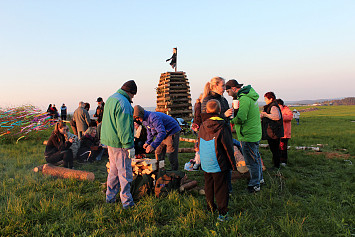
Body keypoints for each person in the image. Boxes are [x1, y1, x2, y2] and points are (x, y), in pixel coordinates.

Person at [198, 99, 236, 222]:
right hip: (219, 162)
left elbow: (199, 143)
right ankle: (223, 214)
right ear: (220, 110)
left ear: (207, 111)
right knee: (221, 188)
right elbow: (228, 146)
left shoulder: (203, 125)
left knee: (209, 186)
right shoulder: (223, 126)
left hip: (206, 162)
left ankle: (210, 208)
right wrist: (232, 164)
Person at [101, 80, 137, 208]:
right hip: (120, 143)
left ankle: (110, 197)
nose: (132, 98)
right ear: (130, 92)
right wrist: (128, 146)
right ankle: (127, 203)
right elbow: (124, 127)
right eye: (133, 95)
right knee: (125, 173)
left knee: (113, 171)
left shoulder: (111, 99)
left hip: (110, 142)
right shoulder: (124, 103)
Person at [226, 79, 263, 193]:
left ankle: (254, 185)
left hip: (248, 134)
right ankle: (259, 179)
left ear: (233, 89)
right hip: (254, 132)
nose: (228, 94)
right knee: (255, 157)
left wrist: (231, 119)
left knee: (251, 161)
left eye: (228, 91)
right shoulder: (249, 96)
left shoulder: (244, 99)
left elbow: (241, 118)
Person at [133, 105, 181, 170]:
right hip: (164, 132)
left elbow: (161, 132)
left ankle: (175, 172)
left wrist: (152, 146)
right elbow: (150, 131)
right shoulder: (144, 120)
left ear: (141, 114)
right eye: (136, 118)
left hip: (172, 131)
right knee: (158, 152)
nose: (138, 120)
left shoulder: (153, 117)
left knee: (170, 153)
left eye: (138, 118)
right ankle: (160, 170)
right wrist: (148, 142)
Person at [260, 92, 284, 169]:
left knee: (275, 149)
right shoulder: (271, 106)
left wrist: (265, 114)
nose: (265, 100)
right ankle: (276, 163)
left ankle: (276, 166)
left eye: (266, 98)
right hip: (272, 131)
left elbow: (277, 117)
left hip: (274, 132)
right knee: (274, 149)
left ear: (271, 98)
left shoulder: (273, 107)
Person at [276, 99, 293, 166]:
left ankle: (284, 161)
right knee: (278, 148)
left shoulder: (286, 110)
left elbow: (290, 117)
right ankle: (278, 160)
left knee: (283, 148)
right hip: (278, 133)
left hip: (285, 133)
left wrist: (280, 116)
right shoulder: (277, 110)